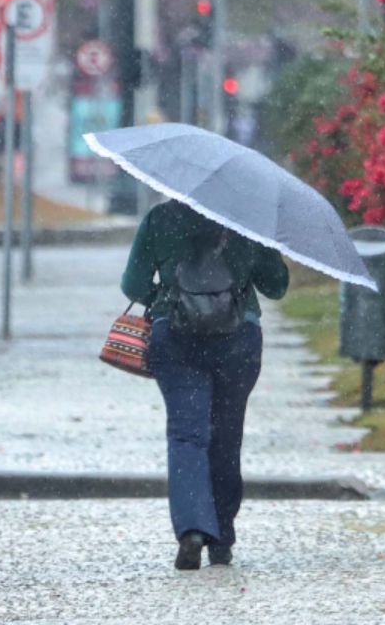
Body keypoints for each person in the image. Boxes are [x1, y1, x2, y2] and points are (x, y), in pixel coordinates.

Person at [121, 197, 289, 570]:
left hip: (175, 338)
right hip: (238, 339)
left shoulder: (160, 218)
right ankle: (222, 539)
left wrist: (167, 300)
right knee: (227, 437)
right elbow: (276, 286)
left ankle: (193, 529)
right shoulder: (247, 217)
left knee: (187, 435)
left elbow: (132, 284)